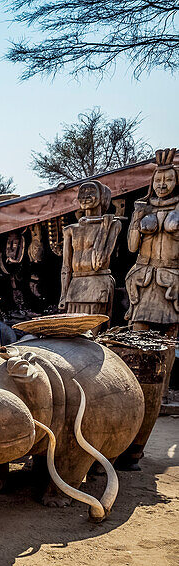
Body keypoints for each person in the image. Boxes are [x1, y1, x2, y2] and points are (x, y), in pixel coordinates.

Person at [121, 148, 179, 468]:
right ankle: (132, 398)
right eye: (158, 178)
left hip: (172, 281)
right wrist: (136, 221)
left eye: (168, 178)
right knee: (137, 343)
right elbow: (131, 246)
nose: (162, 183)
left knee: (167, 345)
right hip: (143, 280)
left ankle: (163, 391)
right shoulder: (141, 206)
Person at [60, 180, 122, 326]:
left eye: (91, 192)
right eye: (82, 192)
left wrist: (105, 229)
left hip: (98, 283)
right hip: (75, 286)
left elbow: (99, 261)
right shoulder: (70, 229)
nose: (85, 196)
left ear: (103, 197)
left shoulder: (112, 224)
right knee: (73, 332)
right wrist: (63, 295)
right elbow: (66, 267)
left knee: (93, 331)